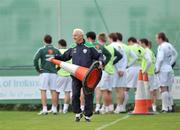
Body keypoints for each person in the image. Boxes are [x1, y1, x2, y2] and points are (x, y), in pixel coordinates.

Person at [54, 28, 104, 122]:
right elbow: (64, 57)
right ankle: (78, 112)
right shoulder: (73, 47)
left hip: (88, 76)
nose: (73, 37)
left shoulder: (89, 46)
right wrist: (54, 57)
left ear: (81, 36)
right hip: (75, 75)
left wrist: (101, 62)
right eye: (73, 35)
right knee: (75, 95)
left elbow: (99, 56)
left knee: (88, 95)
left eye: (75, 35)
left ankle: (87, 115)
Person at [33, 35, 60, 115]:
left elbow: (35, 59)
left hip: (44, 73)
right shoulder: (56, 50)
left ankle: (45, 109)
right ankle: (54, 109)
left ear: (44, 40)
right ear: (51, 40)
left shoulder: (42, 50)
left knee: (43, 90)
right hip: (53, 73)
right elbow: (61, 61)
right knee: (53, 90)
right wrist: (57, 69)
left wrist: (38, 69)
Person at [86, 32, 111, 114]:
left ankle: (93, 107)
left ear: (88, 38)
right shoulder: (100, 45)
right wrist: (103, 64)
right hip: (100, 70)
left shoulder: (87, 45)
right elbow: (109, 55)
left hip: (90, 70)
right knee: (101, 90)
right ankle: (101, 107)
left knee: (90, 89)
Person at [99, 32, 122, 114]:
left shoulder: (101, 48)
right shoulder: (111, 48)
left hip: (105, 71)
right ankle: (109, 108)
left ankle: (108, 108)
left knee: (104, 91)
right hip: (111, 71)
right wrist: (112, 62)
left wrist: (105, 63)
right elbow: (120, 56)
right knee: (108, 91)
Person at [155, 32, 178, 112]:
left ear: (160, 38)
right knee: (168, 89)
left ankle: (165, 108)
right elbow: (175, 54)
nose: (156, 40)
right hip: (169, 68)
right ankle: (170, 107)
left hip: (163, 69)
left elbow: (160, 59)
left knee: (163, 88)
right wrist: (170, 63)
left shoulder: (161, 46)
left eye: (157, 38)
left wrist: (157, 68)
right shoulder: (169, 45)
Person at [111, 32, 128, 113]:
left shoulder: (111, 46)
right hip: (122, 70)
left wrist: (118, 70)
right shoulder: (121, 46)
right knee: (121, 89)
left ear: (111, 38)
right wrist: (123, 69)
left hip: (116, 71)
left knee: (118, 89)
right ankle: (120, 107)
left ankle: (118, 107)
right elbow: (125, 59)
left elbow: (115, 59)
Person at [139, 38, 158, 112]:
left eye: (140, 43)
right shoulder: (150, 51)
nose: (139, 45)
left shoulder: (146, 51)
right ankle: (153, 106)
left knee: (148, 91)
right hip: (151, 73)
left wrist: (144, 70)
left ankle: (150, 106)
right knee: (151, 90)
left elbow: (149, 61)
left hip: (147, 74)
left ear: (143, 43)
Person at [56, 39, 72, 114]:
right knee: (67, 92)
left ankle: (55, 108)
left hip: (60, 74)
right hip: (69, 75)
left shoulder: (58, 52)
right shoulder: (70, 51)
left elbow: (56, 65)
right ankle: (65, 109)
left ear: (59, 45)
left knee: (56, 92)